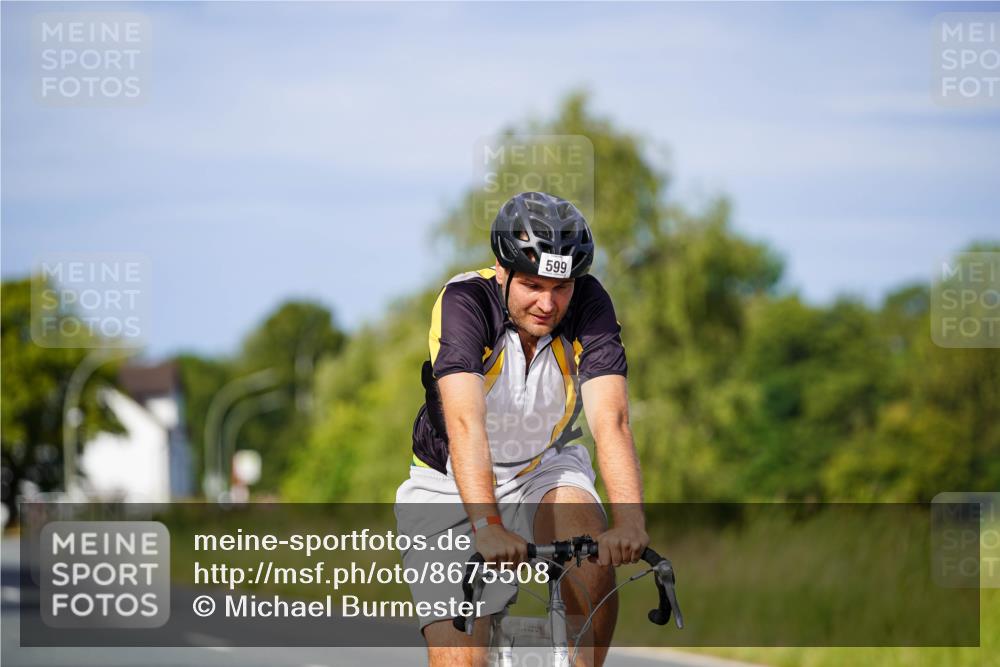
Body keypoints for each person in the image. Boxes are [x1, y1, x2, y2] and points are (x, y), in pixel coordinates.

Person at [395, 191, 648, 666]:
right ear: (501, 269)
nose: (548, 303)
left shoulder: (589, 304)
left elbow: (611, 420)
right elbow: (465, 422)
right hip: (448, 481)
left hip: (543, 468)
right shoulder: (466, 301)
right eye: (532, 285)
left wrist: (630, 523)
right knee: (460, 659)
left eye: (561, 287)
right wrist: (487, 526)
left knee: (588, 547)